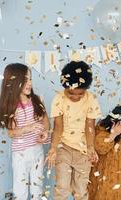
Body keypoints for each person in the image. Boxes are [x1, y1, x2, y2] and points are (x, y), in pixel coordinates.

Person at [45, 61, 102, 200]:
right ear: (65, 86)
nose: (75, 97)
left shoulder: (91, 100)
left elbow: (90, 126)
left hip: (83, 152)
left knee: (81, 190)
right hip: (63, 148)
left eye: (80, 94)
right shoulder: (59, 99)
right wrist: (53, 148)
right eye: (71, 94)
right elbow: (58, 127)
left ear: (86, 89)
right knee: (62, 188)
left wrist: (90, 147)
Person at [0, 63, 50, 199]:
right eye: (25, 80)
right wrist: (29, 128)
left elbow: (46, 122)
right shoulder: (11, 106)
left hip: (37, 152)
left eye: (30, 79)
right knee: (20, 190)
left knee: (37, 189)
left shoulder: (37, 100)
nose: (29, 83)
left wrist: (45, 133)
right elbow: (11, 133)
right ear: (13, 82)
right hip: (21, 154)